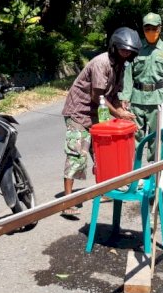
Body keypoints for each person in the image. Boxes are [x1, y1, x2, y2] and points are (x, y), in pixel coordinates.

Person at [60, 27, 139, 217]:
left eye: (129, 51)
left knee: (102, 152)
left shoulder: (120, 65)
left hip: (98, 113)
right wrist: (118, 114)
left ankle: (104, 190)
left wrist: (123, 108)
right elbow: (98, 96)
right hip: (79, 111)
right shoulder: (101, 63)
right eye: (123, 50)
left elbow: (114, 95)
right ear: (115, 47)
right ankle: (67, 201)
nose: (126, 53)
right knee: (77, 154)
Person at [119, 12, 163, 161]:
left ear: (160, 28)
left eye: (154, 28)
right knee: (135, 136)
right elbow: (128, 73)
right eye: (147, 28)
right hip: (137, 99)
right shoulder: (136, 48)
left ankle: (151, 173)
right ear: (143, 30)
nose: (151, 32)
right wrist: (125, 96)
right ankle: (135, 172)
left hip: (157, 100)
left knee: (155, 138)